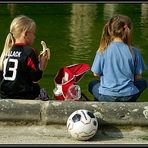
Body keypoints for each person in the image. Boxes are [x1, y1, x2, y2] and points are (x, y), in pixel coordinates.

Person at [88, 14, 147, 102]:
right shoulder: (134, 51)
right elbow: (138, 77)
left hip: (107, 96)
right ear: (128, 30)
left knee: (92, 84)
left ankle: (99, 104)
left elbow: (96, 73)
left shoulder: (102, 49)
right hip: (129, 96)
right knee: (143, 82)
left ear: (110, 29)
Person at [0, 15, 49, 100]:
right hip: (24, 96)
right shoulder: (30, 52)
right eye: (33, 33)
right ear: (25, 33)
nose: (34, 37)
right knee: (43, 93)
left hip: (4, 95)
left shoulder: (6, 51)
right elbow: (35, 79)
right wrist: (42, 64)